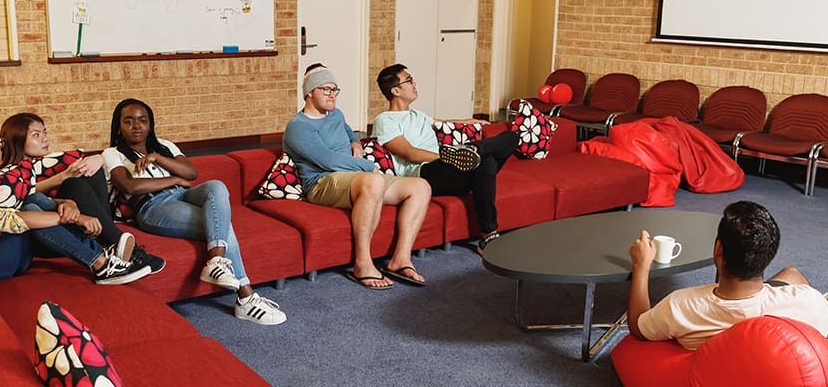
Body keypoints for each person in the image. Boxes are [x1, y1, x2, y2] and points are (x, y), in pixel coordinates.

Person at [104, 98, 285, 325]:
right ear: (118, 127)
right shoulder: (112, 154)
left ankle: (216, 262)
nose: (137, 126)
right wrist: (174, 179)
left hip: (183, 194)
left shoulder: (165, 146)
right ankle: (246, 298)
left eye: (142, 120)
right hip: (154, 206)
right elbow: (130, 186)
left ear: (150, 124)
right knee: (221, 225)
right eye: (128, 121)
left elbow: (191, 173)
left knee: (216, 186)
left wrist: (156, 157)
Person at [628, 201, 828, 368]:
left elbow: (639, 328)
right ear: (769, 253)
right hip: (795, 345)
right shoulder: (808, 301)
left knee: (791, 273)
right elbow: (822, 336)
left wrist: (641, 266)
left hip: (738, 335)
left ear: (718, 249)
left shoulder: (681, 305)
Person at [0, 118, 149, 285]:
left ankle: (105, 254)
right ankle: (101, 263)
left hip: (5, 249)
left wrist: (64, 202)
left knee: (33, 200)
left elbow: (28, 193)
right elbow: (10, 220)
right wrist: (75, 217)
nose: (3, 145)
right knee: (29, 209)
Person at [283, 63, 432, 290]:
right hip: (322, 182)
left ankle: (400, 259)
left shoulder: (336, 114)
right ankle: (363, 263)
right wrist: (366, 165)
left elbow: (348, 130)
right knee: (373, 180)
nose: (332, 94)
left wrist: (354, 142)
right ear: (309, 93)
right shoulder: (298, 126)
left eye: (335, 89)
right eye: (325, 89)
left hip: (352, 178)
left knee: (420, 187)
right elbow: (328, 160)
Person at [374, 63, 520, 254]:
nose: (414, 84)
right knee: (486, 162)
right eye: (409, 80)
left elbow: (444, 123)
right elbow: (409, 152)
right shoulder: (385, 120)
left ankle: (474, 149)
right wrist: (448, 158)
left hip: (451, 170)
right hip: (424, 174)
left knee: (511, 138)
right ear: (395, 90)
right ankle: (489, 234)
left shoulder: (419, 115)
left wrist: (472, 122)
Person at [0, 113, 165, 274]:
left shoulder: (52, 161)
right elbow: (25, 195)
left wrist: (98, 159)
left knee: (85, 173)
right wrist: (62, 178)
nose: (45, 138)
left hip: (87, 223)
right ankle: (122, 246)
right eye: (36, 135)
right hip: (49, 233)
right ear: (18, 139)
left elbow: (93, 165)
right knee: (67, 185)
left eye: (44, 132)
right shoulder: (8, 174)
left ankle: (112, 242)